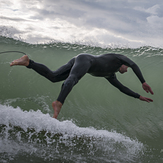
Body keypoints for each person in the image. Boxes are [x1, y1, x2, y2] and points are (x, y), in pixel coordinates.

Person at [10, 53, 154, 119]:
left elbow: (122, 88)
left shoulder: (110, 75)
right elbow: (134, 64)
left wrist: (139, 96)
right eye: (126, 67)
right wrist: (143, 81)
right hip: (85, 59)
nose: (127, 69)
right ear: (124, 64)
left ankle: (28, 62)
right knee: (73, 78)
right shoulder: (119, 58)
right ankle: (59, 102)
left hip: (79, 61)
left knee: (54, 77)